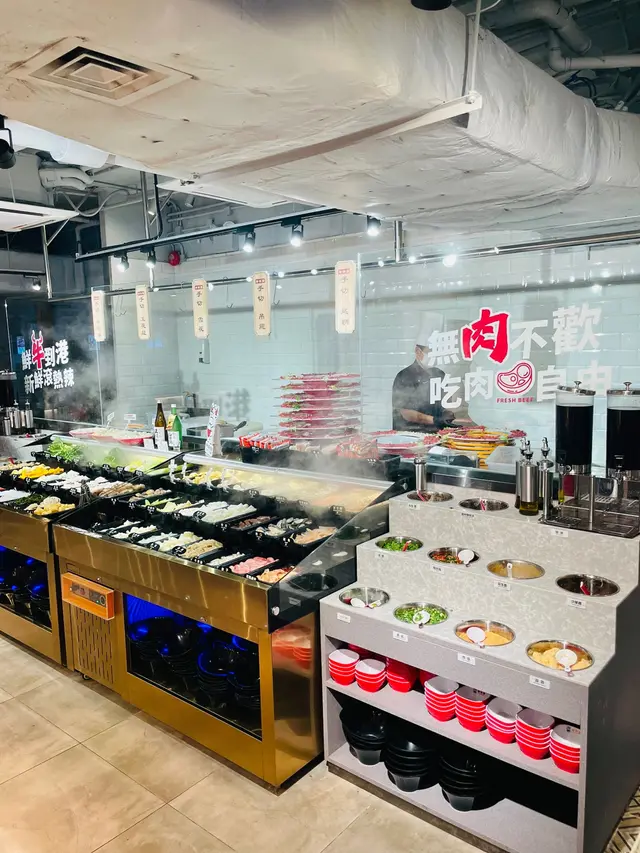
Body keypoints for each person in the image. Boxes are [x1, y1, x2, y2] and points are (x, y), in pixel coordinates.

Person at [392, 338, 454, 433]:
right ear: (417, 351)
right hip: (409, 433)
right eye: (430, 352)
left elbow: (446, 404)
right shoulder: (404, 376)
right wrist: (435, 420)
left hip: (436, 433)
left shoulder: (440, 374)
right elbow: (405, 412)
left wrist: (447, 415)